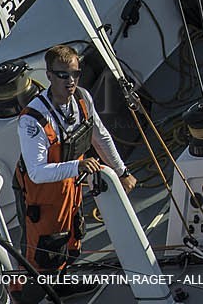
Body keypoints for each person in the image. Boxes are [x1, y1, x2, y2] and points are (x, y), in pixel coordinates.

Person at [14, 45, 135, 303]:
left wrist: (122, 171)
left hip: (70, 186)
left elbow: (100, 137)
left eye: (75, 74)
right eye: (63, 75)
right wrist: (78, 166)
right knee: (43, 253)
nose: (70, 81)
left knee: (73, 236)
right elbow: (36, 172)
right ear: (49, 75)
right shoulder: (33, 120)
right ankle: (27, 296)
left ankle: (62, 284)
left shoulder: (82, 99)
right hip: (40, 196)